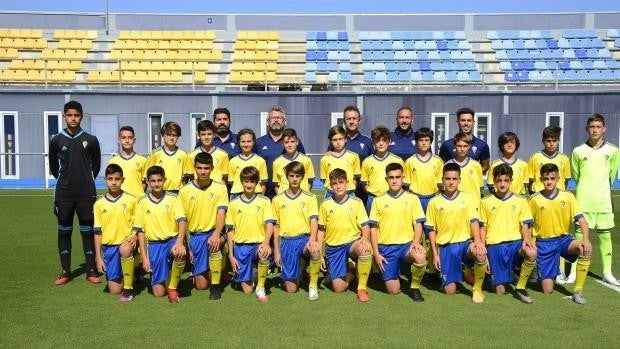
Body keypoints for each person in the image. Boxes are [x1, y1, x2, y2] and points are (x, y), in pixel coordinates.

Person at [49, 100, 102, 285]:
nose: (73, 118)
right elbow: (53, 168)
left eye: (76, 115)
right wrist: (66, 180)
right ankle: (65, 270)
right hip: (64, 193)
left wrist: (86, 180)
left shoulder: (91, 139)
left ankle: (91, 269)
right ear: (64, 116)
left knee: (87, 232)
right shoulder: (56, 140)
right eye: (69, 115)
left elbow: (96, 165)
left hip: (86, 193)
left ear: (81, 116)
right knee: (64, 231)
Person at [529, 163, 592, 304]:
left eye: (552, 178)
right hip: (544, 244)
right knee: (547, 290)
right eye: (546, 178)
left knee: (584, 248)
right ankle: (539, 271)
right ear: (541, 179)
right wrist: (529, 242)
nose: (549, 181)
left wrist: (586, 239)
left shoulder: (568, 197)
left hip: (564, 240)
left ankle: (578, 291)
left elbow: (582, 221)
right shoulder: (534, 199)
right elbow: (527, 224)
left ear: (558, 178)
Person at [425, 163, 488, 303]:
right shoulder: (434, 202)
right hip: (446, 247)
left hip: (465, 244)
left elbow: (474, 221)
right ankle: (455, 274)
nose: (451, 182)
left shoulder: (468, 198)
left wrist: (478, 241)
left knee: (480, 253)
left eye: (454, 179)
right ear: (443, 179)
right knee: (450, 291)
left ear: (459, 180)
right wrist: (435, 255)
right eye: (448, 179)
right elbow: (431, 231)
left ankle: (477, 289)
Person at [571, 114, 620, 286]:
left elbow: (612, 176)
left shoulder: (613, 151)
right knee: (579, 236)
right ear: (587, 129)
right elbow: (577, 176)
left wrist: (601, 189)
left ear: (604, 129)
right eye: (592, 126)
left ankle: (607, 272)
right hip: (583, 201)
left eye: (598, 126)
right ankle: (573, 272)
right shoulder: (578, 151)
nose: (595, 129)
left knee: (605, 235)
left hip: (604, 201)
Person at [369, 163, 427, 302]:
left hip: (406, 246)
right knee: (393, 291)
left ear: (403, 178)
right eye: (391, 177)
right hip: (386, 248)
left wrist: (415, 242)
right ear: (386, 179)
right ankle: (397, 271)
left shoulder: (413, 199)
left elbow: (418, 224)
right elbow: (373, 228)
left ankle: (414, 287)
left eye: (397, 177)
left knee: (420, 255)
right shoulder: (378, 200)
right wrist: (376, 253)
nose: (394, 180)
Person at [480, 164, 537, 303]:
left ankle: (520, 287)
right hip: (495, 247)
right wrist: (484, 250)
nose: (502, 184)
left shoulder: (521, 200)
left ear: (511, 181)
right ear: (494, 181)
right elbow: (483, 228)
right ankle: (496, 275)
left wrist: (527, 240)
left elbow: (525, 224)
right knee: (500, 291)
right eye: (499, 180)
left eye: (506, 180)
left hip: (515, 244)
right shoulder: (485, 202)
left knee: (531, 252)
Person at [178, 152, 228, 300]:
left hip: (214, 232)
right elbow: (183, 220)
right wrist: (186, 244)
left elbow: (221, 213)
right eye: (199, 168)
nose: (203, 171)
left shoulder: (220, 188)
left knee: (215, 244)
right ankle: (200, 274)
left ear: (212, 168)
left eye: (206, 168)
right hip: (196, 236)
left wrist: (217, 234)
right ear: (194, 168)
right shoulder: (185, 191)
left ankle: (216, 286)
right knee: (201, 286)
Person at [318, 168, 373, 302]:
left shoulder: (357, 202)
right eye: (335, 183)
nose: (338, 186)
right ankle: (350, 271)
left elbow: (365, 225)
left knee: (365, 249)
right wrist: (320, 253)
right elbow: (321, 230)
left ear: (347, 183)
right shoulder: (325, 205)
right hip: (334, 247)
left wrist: (365, 239)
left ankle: (361, 289)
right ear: (331, 185)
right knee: (339, 288)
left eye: (341, 182)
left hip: (352, 243)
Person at [134, 166, 187, 303]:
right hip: (154, 245)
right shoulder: (143, 202)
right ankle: (167, 274)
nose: (156, 184)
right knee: (158, 293)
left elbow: (182, 221)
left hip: (171, 241)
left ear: (165, 180)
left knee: (180, 252)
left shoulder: (173, 198)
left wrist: (180, 242)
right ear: (148, 181)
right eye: (153, 181)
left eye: (159, 180)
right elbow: (140, 231)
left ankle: (173, 288)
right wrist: (144, 258)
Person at [272, 161, 322, 300]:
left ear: (302, 177)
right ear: (286, 177)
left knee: (316, 249)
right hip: (287, 242)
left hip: (304, 239)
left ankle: (313, 286)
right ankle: (300, 269)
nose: (294, 179)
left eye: (298, 176)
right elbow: (276, 227)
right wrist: (277, 251)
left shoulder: (310, 197)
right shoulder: (277, 199)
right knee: (291, 289)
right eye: (292, 175)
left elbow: (314, 221)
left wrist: (313, 240)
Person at [226, 166, 275, 302]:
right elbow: (230, 230)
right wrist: (231, 254)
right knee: (247, 291)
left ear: (257, 183)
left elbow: (270, 224)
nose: (249, 185)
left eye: (252, 182)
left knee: (264, 253)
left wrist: (266, 243)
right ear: (241, 182)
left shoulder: (264, 201)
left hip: (259, 244)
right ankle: (251, 273)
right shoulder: (234, 203)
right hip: (241, 247)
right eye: (246, 181)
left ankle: (260, 286)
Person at [93, 164, 139, 302]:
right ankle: (133, 274)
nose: (113, 182)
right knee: (114, 290)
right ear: (105, 180)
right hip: (109, 248)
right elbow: (97, 232)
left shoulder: (132, 200)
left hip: (127, 244)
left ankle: (129, 286)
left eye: (117, 179)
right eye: (110, 179)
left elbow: (139, 225)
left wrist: (135, 236)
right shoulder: (99, 204)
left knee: (125, 249)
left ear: (122, 180)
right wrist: (98, 257)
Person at [404, 127, 443, 277]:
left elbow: (441, 185)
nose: (424, 143)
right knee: (416, 235)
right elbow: (406, 186)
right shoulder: (410, 161)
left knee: (432, 234)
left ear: (431, 142)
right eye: (421, 140)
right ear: (416, 142)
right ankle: (415, 268)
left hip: (432, 199)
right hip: (416, 199)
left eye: (427, 140)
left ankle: (434, 269)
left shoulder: (438, 161)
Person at [255, 106, 306, 198]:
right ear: (267, 122)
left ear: (285, 121)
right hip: (263, 193)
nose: (276, 120)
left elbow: (302, 165)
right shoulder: (258, 143)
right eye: (273, 118)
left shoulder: (295, 142)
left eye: (279, 118)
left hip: (289, 194)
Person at [360, 125, 404, 212]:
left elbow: (402, 180)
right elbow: (364, 182)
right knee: (373, 225)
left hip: (392, 198)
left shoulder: (397, 160)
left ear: (389, 142)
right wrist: (371, 192)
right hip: (373, 199)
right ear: (373, 142)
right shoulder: (367, 161)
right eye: (377, 140)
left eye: (384, 140)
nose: (381, 143)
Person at [438, 107, 490, 173]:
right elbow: (441, 166)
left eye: (469, 120)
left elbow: (485, 166)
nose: (466, 123)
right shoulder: (446, 145)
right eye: (463, 120)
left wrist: (473, 175)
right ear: (457, 122)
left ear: (473, 122)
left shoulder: (482, 145)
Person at [146, 121, 189, 193]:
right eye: (168, 135)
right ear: (163, 135)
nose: (171, 138)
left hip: (177, 192)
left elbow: (186, 178)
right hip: (160, 192)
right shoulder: (155, 154)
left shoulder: (183, 155)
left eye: (174, 135)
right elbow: (148, 176)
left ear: (178, 136)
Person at [320, 125, 361, 198]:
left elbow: (355, 177)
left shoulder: (354, 156)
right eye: (335, 140)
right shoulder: (325, 159)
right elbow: (324, 179)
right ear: (330, 141)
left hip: (349, 192)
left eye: (340, 139)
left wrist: (352, 188)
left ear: (345, 139)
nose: (338, 142)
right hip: (331, 193)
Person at [527, 126, 571, 194]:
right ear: (543, 141)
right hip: (538, 195)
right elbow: (530, 180)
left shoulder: (565, 159)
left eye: (554, 141)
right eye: (548, 141)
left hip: (558, 196)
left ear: (558, 141)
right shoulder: (535, 157)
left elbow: (566, 180)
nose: (551, 144)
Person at [272, 128, 315, 194]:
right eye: (286, 142)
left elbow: (310, 181)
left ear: (297, 142)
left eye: (292, 141)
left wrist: (305, 195)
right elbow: (276, 185)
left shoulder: (306, 160)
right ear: (282, 143)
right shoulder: (277, 162)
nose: (290, 145)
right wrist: (280, 197)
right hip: (284, 200)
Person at [108, 126, 147, 198]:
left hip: (137, 200)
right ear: (119, 140)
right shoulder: (113, 161)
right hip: (120, 201)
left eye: (130, 137)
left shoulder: (143, 160)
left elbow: (144, 183)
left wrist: (139, 196)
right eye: (124, 138)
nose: (127, 140)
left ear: (134, 140)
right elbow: (111, 182)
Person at [228, 128, 268, 198]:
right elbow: (231, 183)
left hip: (256, 194)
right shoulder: (233, 161)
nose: (246, 144)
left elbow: (263, 184)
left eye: (249, 141)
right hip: (237, 195)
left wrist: (261, 198)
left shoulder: (260, 161)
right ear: (238, 143)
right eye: (243, 141)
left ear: (254, 142)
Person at [444, 132, 484, 202]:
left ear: (469, 146)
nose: (462, 149)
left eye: (465, 146)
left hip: (473, 205)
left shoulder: (476, 165)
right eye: (459, 146)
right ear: (454, 146)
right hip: (455, 206)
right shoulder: (447, 165)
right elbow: (445, 188)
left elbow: (481, 188)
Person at [186, 119, 229, 184]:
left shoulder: (223, 155)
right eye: (203, 134)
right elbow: (191, 178)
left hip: (216, 192)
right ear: (198, 135)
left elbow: (225, 179)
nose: (206, 137)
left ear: (214, 135)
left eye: (209, 134)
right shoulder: (191, 155)